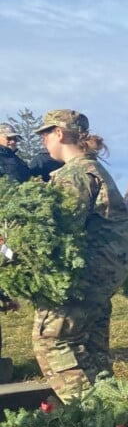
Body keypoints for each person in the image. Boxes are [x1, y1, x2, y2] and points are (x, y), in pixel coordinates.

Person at [31, 110, 128, 401]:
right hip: (99, 280)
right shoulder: (95, 170)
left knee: (52, 341)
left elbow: (59, 231)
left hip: (79, 281)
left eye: (45, 134)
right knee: (91, 352)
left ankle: (93, 419)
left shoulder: (74, 175)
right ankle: (121, 422)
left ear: (60, 133)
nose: (43, 142)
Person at [0, 123, 30, 381]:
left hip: (15, 221)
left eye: (15, 138)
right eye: (9, 138)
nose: (13, 142)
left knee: (9, 256)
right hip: (4, 218)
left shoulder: (17, 162)